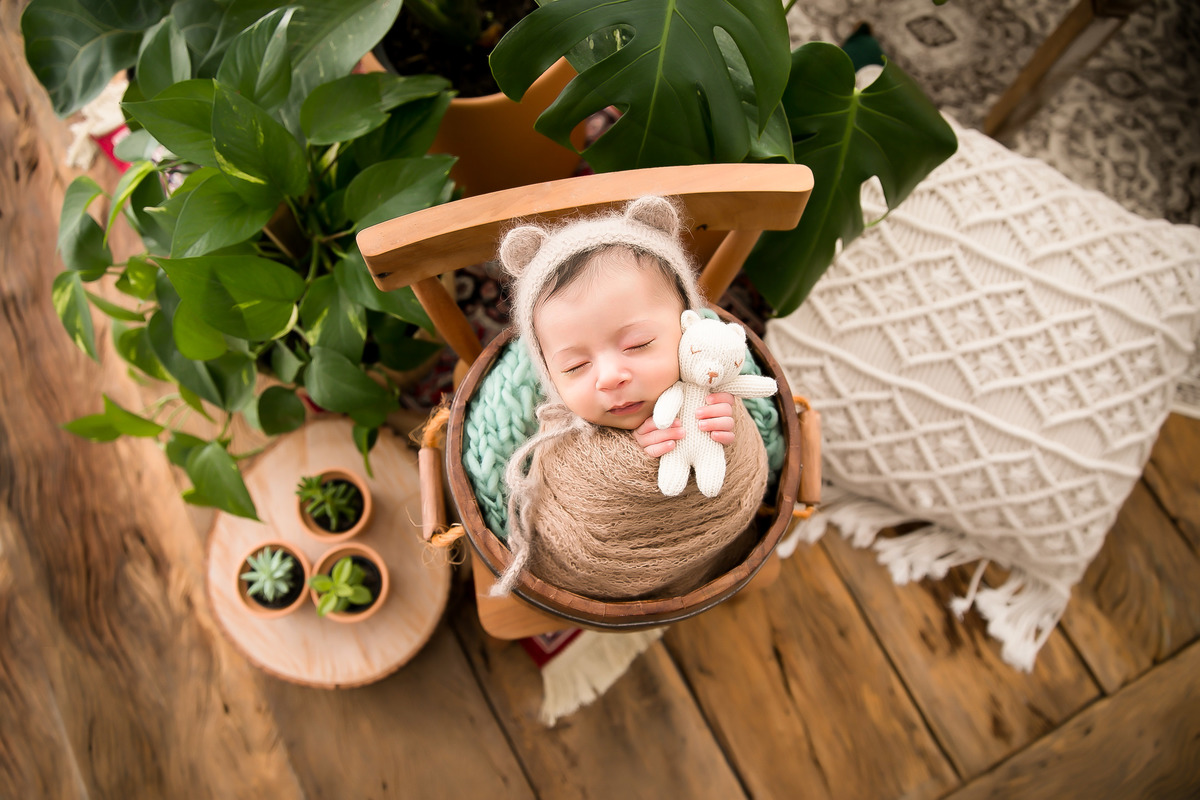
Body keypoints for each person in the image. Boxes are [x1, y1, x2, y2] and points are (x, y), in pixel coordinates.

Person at [491, 195, 761, 596]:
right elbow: (558, 493)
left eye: (638, 344)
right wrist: (627, 457)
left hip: (713, 558)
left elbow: (745, 455)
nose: (610, 377)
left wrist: (724, 422)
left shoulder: (711, 377)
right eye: (575, 367)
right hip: (589, 579)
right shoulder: (559, 429)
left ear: (689, 329)